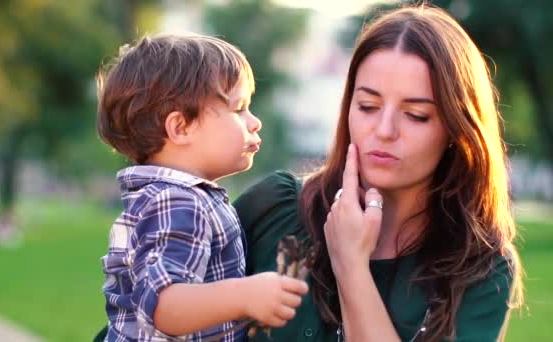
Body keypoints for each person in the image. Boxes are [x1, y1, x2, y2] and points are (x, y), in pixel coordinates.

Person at [234, 5, 524, 342]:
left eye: (416, 115)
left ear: (456, 129)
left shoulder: (480, 268)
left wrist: (352, 267)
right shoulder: (274, 209)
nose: (384, 130)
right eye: (368, 106)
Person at [95, 33, 308, 341]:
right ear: (181, 127)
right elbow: (163, 307)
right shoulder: (177, 202)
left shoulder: (179, 197)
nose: (254, 122)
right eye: (239, 109)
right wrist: (245, 295)